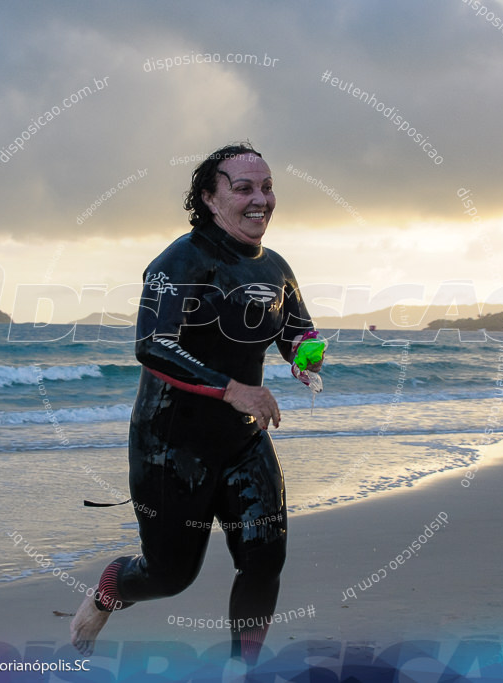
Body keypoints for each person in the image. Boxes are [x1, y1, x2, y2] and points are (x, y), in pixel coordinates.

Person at [70, 143, 323, 664]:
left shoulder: (275, 267)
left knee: (264, 556)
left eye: (268, 187)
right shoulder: (180, 262)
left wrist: (305, 358)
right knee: (169, 576)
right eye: (244, 188)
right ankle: (107, 593)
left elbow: (298, 330)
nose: (262, 200)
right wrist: (236, 390)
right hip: (171, 446)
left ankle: (240, 670)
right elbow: (153, 346)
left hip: (242, 442)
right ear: (209, 198)